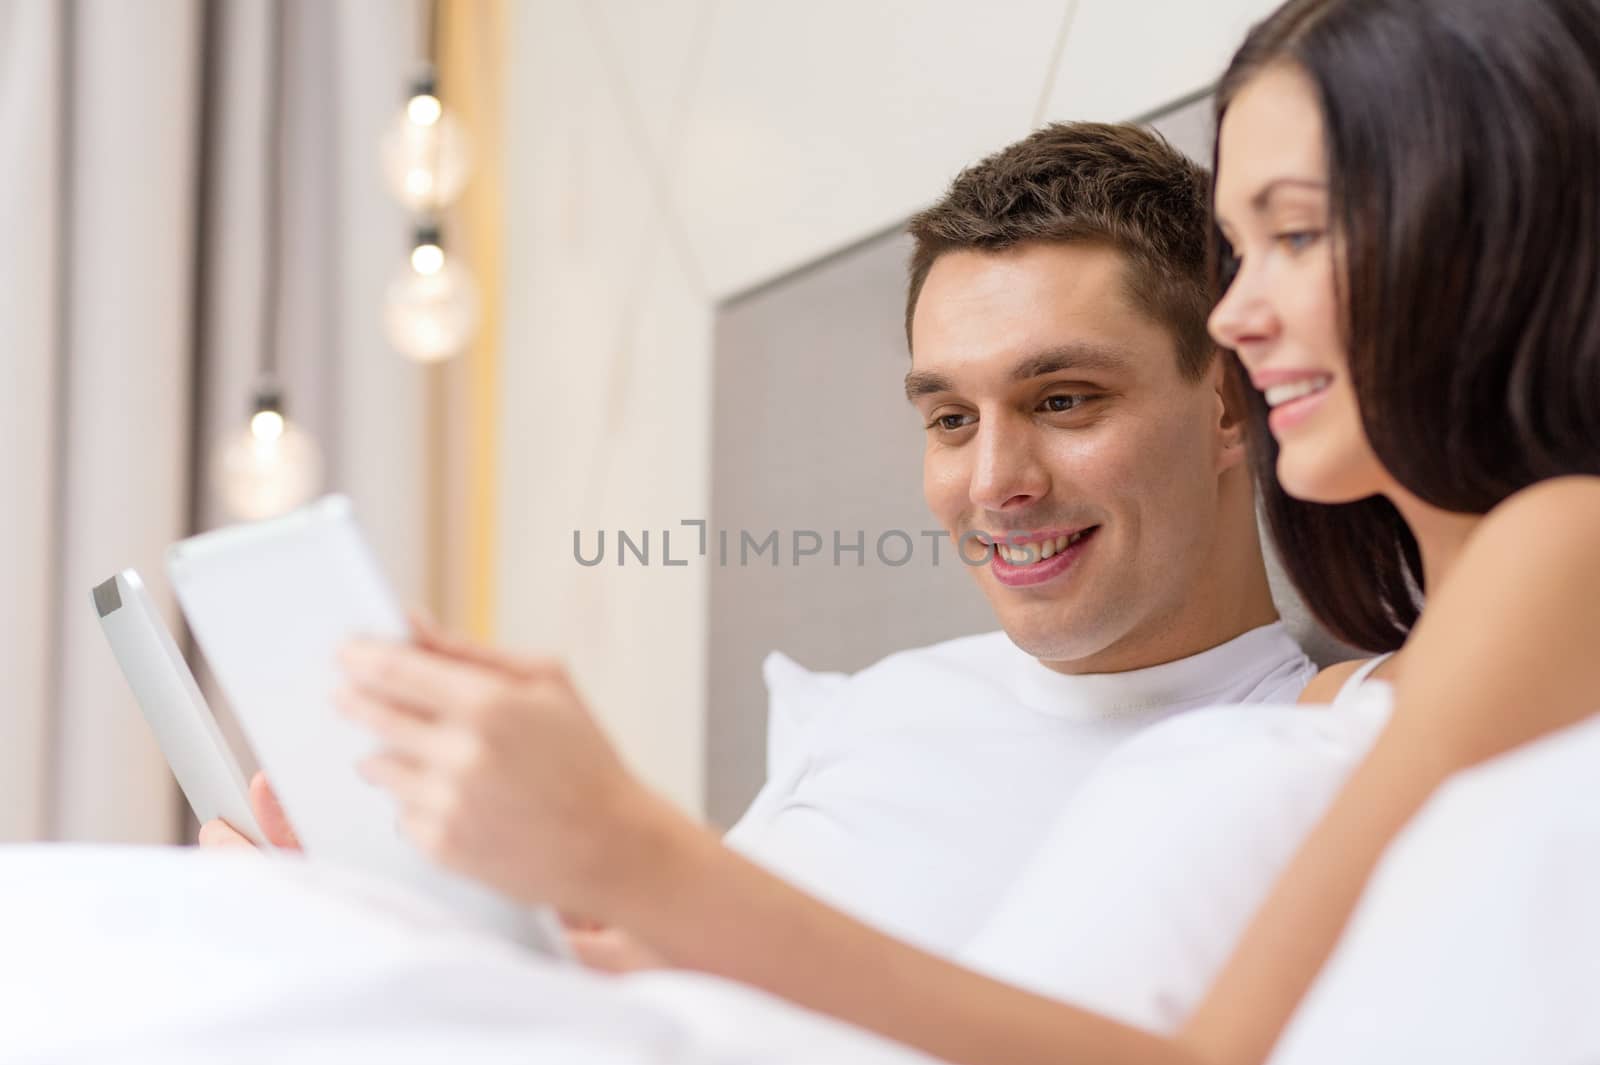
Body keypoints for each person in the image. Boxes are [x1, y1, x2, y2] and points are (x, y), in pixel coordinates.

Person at [316, 0, 1600, 1065]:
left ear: (1469, 229)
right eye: (945, 414)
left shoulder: (1553, 551)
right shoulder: (1350, 689)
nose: (1242, 313)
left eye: (1296, 234)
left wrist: (652, 862)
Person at [204, 122, 1317, 961]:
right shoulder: (881, 706)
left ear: (1228, 404)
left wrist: (628, 844)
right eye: (948, 419)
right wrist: (396, 919)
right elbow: (643, 982)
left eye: (1065, 400)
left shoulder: (1318, 752)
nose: (993, 483)